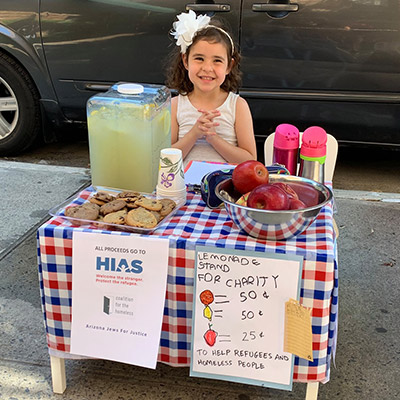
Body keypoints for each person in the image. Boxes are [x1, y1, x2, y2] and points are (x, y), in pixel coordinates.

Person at [165, 11, 257, 166]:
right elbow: (166, 159)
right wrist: (194, 134)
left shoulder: (237, 106)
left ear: (229, 66)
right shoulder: (175, 106)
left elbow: (250, 161)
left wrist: (213, 138)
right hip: (183, 188)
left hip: (225, 188)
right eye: (199, 58)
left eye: (217, 61)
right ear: (186, 60)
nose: (207, 68)